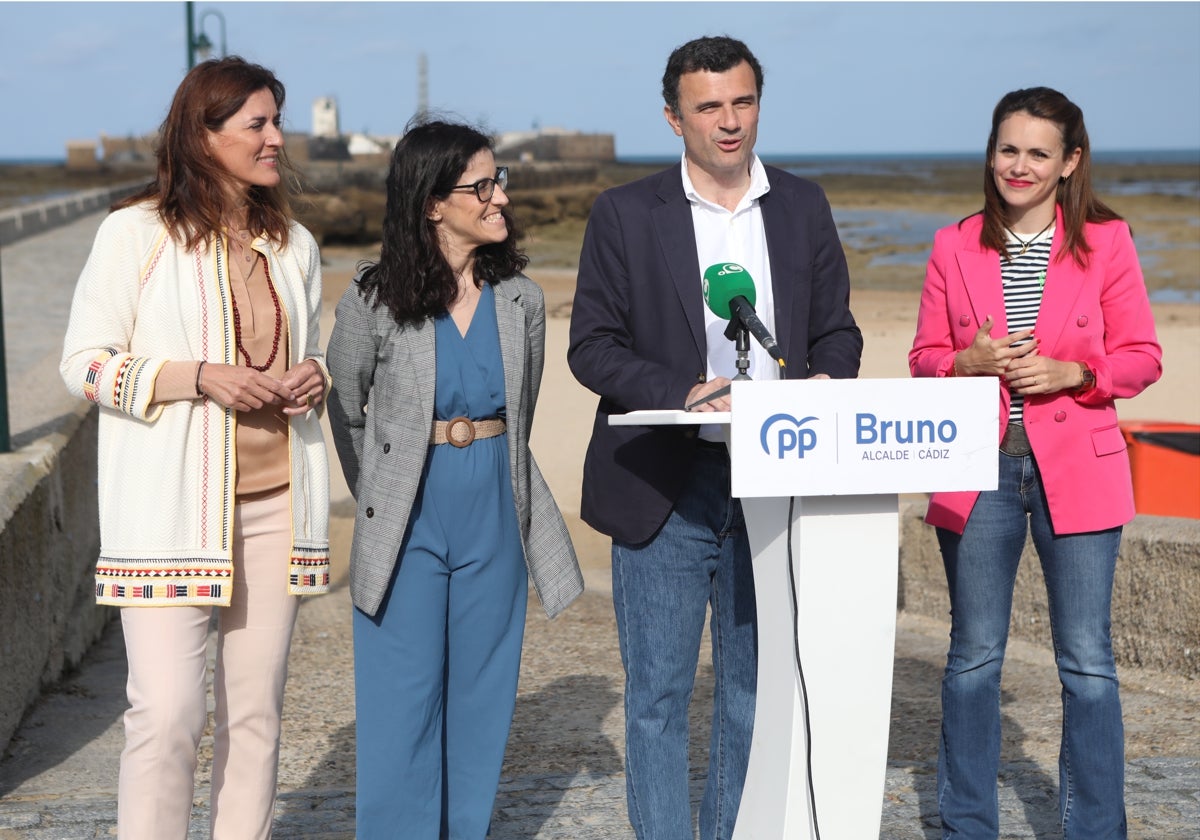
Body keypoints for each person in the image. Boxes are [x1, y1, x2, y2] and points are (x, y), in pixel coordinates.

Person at [567, 35, 863, 840]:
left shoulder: (803, 205)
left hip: (773, 480)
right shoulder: (625, 213)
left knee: (751, 692)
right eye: (709, 107)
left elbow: (837, 331)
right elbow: (591, 347)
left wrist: (826, 385)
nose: (729, 122)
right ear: (674, 118)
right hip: (664, 483)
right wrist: (685, 392)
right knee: (658, 697)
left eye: (742, 102)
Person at [59, 57, 330, 839]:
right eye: (258, 124)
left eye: (279, 120)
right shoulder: (135, 233)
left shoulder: (296, 245)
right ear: (203, 136)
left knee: (256, 715)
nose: (277, 138)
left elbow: (306, 349)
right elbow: (85, 364)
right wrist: (198, 377)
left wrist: (315, 374)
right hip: (170, 513)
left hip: (279, 506)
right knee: (167, 713)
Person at [909, 87, 1162, 839]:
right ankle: (967, 826)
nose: (1018, 166)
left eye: (1037, 153)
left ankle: (1095, 829)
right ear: (991, 153)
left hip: (1077, 467)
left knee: (1087, 663)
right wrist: (966, 360)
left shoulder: (1108, 242)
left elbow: (1143, 357)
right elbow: (923, 360)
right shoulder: (952, 244)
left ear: (1069, 163)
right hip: (976, 469)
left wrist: (1075, 376)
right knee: (973, 659)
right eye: (1007, 149)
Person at [326, 119, 584, 839]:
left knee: (481, 701)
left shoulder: (523, 300)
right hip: (407, 521)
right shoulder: (373, 299)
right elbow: (342, 406)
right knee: (400, 704)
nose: (500, 194)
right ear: (433, 202)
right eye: (484, 184)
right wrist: (379, 490)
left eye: (499, 181)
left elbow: (522, 417)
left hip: (496, 517)